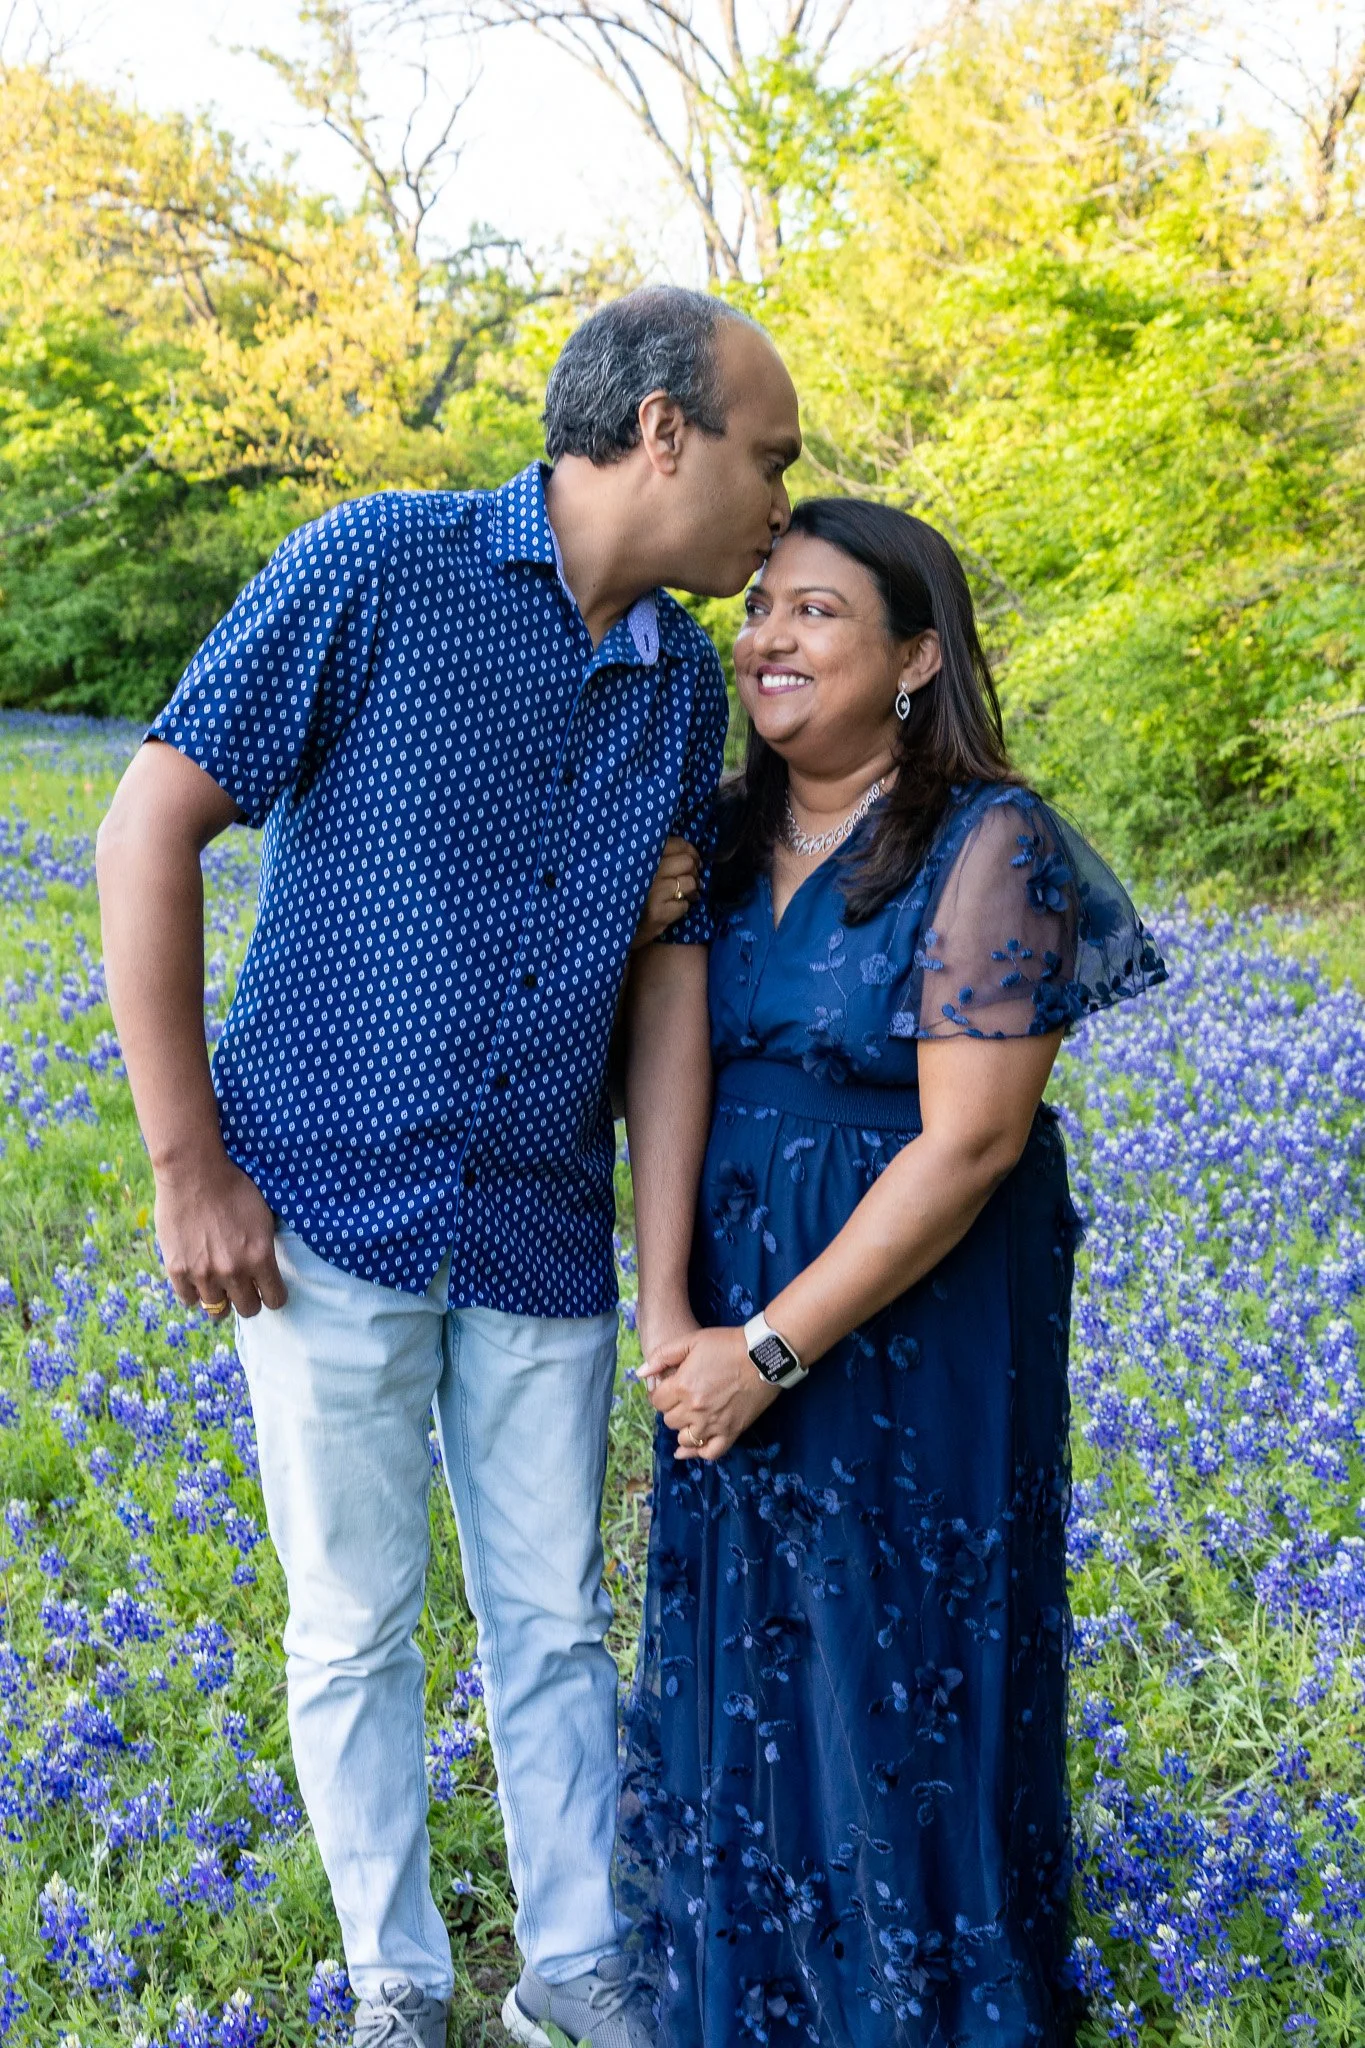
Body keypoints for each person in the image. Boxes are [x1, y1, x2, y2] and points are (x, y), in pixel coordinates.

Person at [95, 287, 802, 2048]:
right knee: (352, 1621)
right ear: (664, 434)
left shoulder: (682, 680)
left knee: (557, 1617)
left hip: (539, 1223)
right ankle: (397, 1981)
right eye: (771, 460)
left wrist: (659, 1275)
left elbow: (666, 975)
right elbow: (147, 820)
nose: (782, 503)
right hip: (321, 1200)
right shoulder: (379, 566)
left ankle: (572, 1965)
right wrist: (186, 1163)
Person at [622, 498, 1167, 2045]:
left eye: (817, 612)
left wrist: (767, 1351)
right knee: (745, 1656)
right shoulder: (721, 838)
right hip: (722, 1298)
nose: (769, 640)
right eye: (761, 608)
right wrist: (671, 1318)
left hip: (911, 1319)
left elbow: (972, 1142)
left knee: (897, 1656)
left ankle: (915, 2010)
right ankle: (763, 2005)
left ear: (918, 658)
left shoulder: (993, 842)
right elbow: (665, 1061)